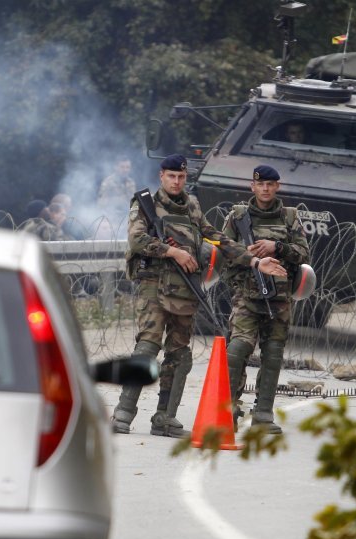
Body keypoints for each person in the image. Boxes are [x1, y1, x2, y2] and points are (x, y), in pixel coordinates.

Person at [113, 154, 287, 438]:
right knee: (147, 347)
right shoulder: (145, 204)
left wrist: (255, 262)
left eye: (181, 177)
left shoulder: (192, 205)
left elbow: (217, 237)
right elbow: (138, 240)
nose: (177, 181)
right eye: (172, 176)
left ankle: (165, 418)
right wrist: (174, 252)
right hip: (154, 285)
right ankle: (123, 413)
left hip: (184, 289)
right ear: (162, 176)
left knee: (180, 355)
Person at [222, 165, 310, 434]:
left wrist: (277, 247)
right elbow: (221, 249)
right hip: (247, 298)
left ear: (277, 187)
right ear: (252, 187)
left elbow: (304, 254)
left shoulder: (290, 217)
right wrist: (246, 255)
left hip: (280, 300)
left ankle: (262, 413)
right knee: (237, 351)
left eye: (271, 184)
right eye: (261, 185)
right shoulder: (238, 217)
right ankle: (228, 408)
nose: (265, 189)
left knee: (272, 356)